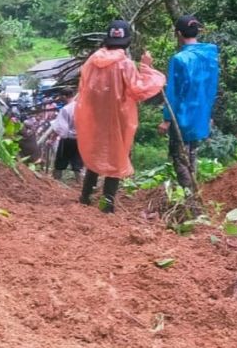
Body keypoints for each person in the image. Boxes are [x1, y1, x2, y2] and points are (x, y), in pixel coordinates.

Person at [74, 19, 166, 212]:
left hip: (96, 118)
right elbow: (138, 90)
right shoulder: (125, 65)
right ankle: (107, 203)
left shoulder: (91, 61)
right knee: (116, 157)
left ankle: (85, 196)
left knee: (95, 154)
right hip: (119, 119)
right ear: (126, 41)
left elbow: (84, 89)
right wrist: (147, 68)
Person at [157, 15, 220, 190]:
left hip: (183, 116)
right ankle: (194, 193)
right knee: (192, 154)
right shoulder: (210, 54)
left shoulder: (179, 59)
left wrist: (167, 118)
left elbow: (175, 92)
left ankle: (189, 198)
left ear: (178, 33)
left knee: (179, 157)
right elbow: (211, 86)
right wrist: (209, 113)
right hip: (200, 114)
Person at [49, 95, 82, 181]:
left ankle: (55, 182)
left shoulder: (65, 109)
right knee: (77, 163)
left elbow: (61, 128)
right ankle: (80, 183)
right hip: (79, 139)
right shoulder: (81, 107)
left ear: (64, 96)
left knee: (60, 162)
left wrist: (52, 139)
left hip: (67, 139)